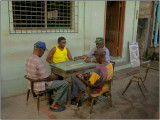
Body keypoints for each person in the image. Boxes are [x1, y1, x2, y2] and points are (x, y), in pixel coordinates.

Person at [25, 41, 68, 112]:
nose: (44, 53)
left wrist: (54, 77)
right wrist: (58, 78)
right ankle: (54, 105)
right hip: (39, 84)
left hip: (32, 83)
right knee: (64, 83)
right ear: (40, 50)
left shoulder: (29, 58)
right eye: (44, 51)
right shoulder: (38, 61)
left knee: (52, 80)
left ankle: (49, 99)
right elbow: (47, 78)